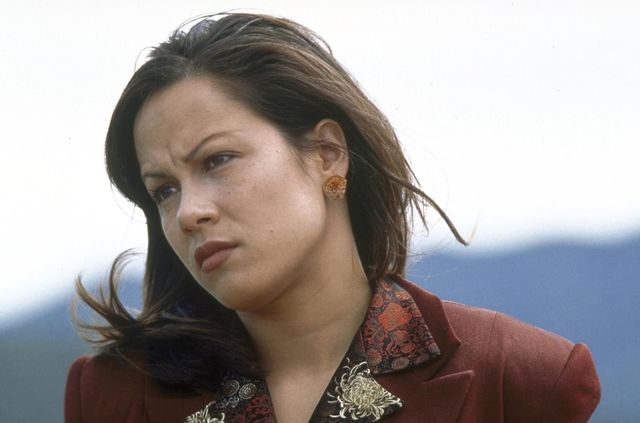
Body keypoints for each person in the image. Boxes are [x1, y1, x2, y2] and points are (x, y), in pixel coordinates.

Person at [65, 12, 600, 423]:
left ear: (327, 154)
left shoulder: (518, 380)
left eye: (218, 160)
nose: (188, 212)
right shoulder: (113, 395)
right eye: (164, 191)